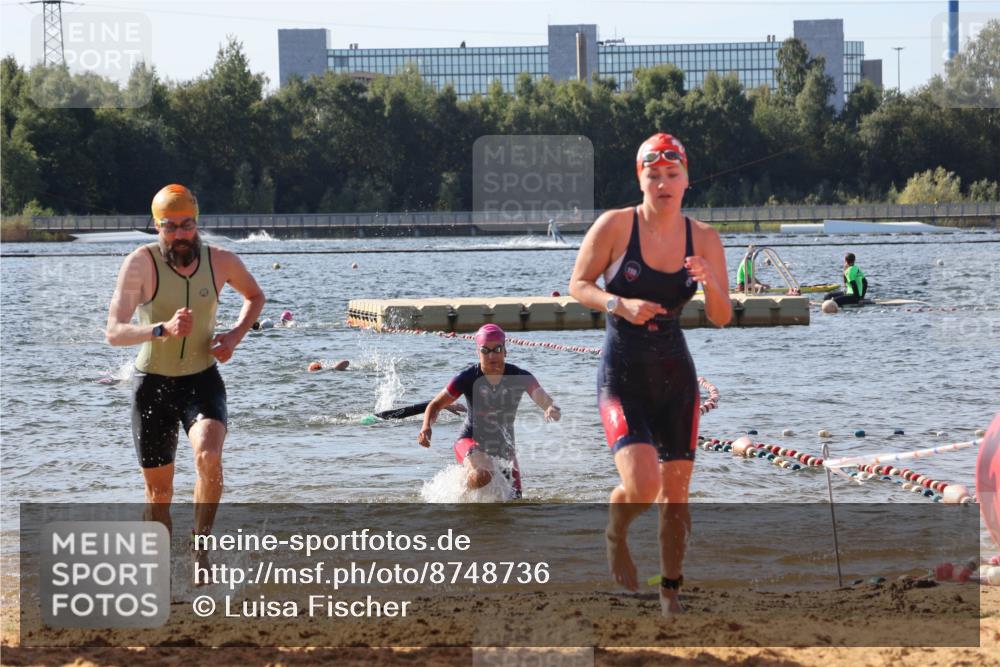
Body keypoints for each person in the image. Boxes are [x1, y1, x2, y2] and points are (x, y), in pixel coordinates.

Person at [568, 133, 731, 618]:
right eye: (653, 174)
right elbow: (578, 284)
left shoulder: (703, 237)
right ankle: (615, 533)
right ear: (640, 178)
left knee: (676, 497)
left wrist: (711, 281)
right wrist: (620, 303)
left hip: (675, 377)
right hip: (622, 376)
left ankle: (670, 594)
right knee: (641, 487)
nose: (662, 183)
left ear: (686, 180)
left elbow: (722, 316)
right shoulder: (616, 226)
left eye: (671, 174)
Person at [105, 184, 265, 546]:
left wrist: (235, 336)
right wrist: (161, 329)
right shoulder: (140, 263)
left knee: (209, 457)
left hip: (201, 380)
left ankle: (201, 547)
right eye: (170, 226)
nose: (180, 235)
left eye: (187, 225)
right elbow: (114, 332)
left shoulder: (221, 260)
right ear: (157, 227)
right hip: (152, 386)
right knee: (159, 495)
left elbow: (255, 296)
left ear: (197, 224)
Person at [417, 324, 561, 499]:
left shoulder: (520, 376)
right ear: (478, 353)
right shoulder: (467, 377)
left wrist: (549, 408)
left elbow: (542, 398)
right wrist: (426, 427)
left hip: (503, 447)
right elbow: (435, 404)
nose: (492, 355)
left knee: (515, 501)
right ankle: (459, 494)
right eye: (485, 350)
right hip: (468, 440)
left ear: (505, 351)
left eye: (497, 349)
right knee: (483, 473)